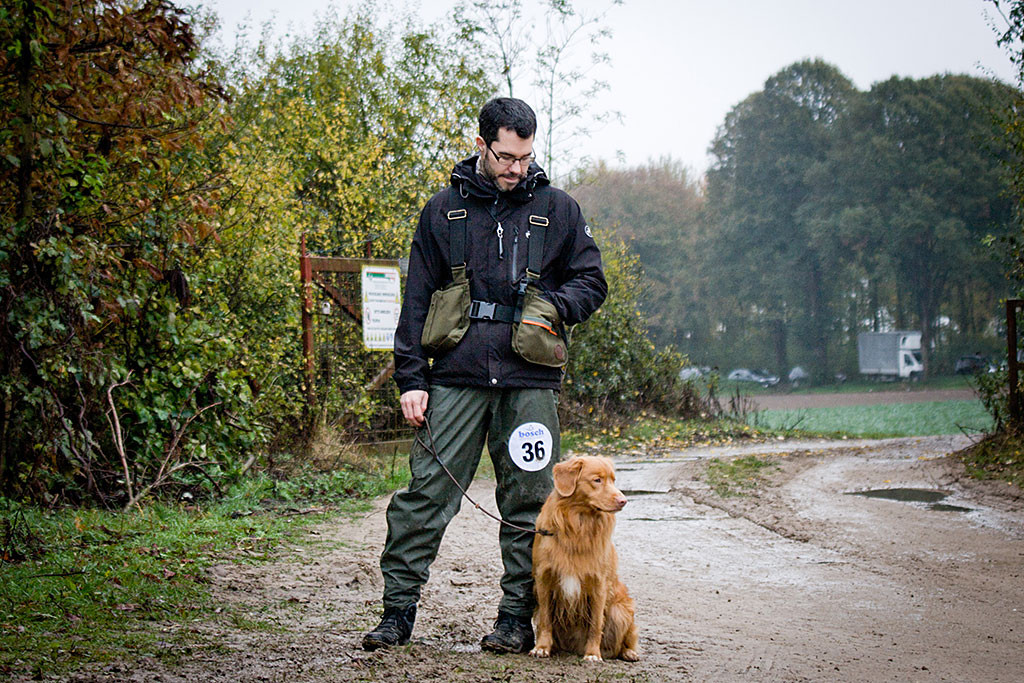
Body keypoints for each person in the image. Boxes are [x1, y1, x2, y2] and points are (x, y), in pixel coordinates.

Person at [361, 97, 607, 654]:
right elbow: (416, 300)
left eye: (524, 157)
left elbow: (593, 282)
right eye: (504, 156)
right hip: (455, 376)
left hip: (530, 383)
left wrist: (555, 307)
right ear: (481, 146)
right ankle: (398, 613)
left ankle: (517, 620)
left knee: (532, 502)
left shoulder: (559, 210)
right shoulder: (443, 211)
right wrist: (411, 379)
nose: (515, 168)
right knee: (425, 495)